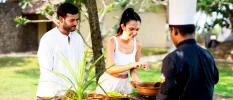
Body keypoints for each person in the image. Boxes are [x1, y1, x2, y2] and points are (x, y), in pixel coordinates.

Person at [156, 0, 219, 100]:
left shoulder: (172, 59)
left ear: (174, 31)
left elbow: (165, 97)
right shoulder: (208, 55)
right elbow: (214, 80)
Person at [36, 3, 84, 99]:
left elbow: (81, 68)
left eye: (77, 20)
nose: (75, 23)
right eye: (72, 20)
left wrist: (76, 91)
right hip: (51, 94)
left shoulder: (78, 38)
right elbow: (46, 70)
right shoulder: (48, 39)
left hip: (73, 94)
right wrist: (59, 94)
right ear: (61, 19)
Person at [96, 8, 148, 94]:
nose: (135, 33)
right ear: (123, 26)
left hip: (125, 85)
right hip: (109, 84)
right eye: (131, 29)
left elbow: (133, 69)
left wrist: (136, 79)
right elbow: (110, 69)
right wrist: (134, 64)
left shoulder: (137, 45)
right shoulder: (112, 42)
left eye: (137, 29)